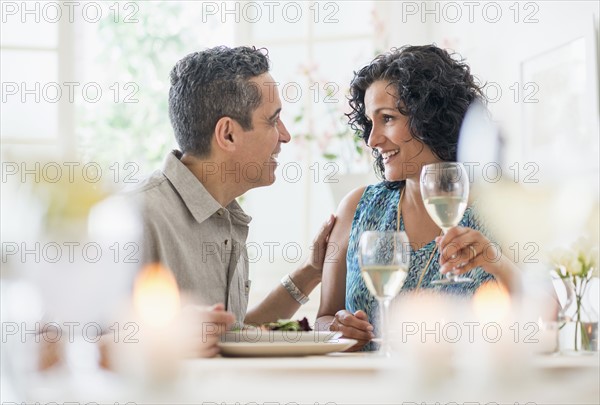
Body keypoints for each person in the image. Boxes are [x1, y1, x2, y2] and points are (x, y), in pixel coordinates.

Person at [130, 46, 335, 356]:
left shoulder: (225, 217)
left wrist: (310, 272)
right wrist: (167, 339)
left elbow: (230, 339)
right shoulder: (134, 218)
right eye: (273, 120)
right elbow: (79, 350)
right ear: (227, 135)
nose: (285, 135)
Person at [315, 45, 520, 351]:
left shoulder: (500, 206)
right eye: (370, 123)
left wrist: (497, 262)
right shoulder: (356, 207)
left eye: (387, 118)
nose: (372, 140)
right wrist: (338, 328)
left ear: (430, 116)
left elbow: (541, 317)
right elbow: (324, 318)